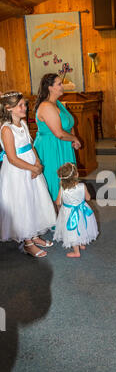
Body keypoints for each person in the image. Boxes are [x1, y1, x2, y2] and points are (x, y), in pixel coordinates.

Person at [0, 91, 56, 257]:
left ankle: (34, 235)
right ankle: (28, 243)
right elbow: (12, 158)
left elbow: (31, 146)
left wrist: (37, 162)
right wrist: (33, 169)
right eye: (21, 106)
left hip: (31, 168)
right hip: (17, 173)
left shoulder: (23, 124)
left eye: (25, 104)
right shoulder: (6, 129)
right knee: (23, 205)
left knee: (34, 201)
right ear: (9, 108)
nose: (25, 107)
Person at [34, 73, 81, 204]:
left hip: (63, 145)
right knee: (54, 182)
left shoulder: (58, 104)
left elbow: (70, 123)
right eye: (59, 84)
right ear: (50, 87)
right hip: (51, 148)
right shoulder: (46, 106)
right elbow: (58, 133)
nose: (62, 86)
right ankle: (55, 218)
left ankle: (68, 210)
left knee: (67, 180)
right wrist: (75, 138)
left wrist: (72, 138)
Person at [53, 162, 99, 258]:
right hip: (82, 210)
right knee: (83, 226)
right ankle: (82, 244)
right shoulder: (82, 186)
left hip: (68, 212)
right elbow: (88, 198)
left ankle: (76, 252)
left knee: (72, 231)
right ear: (77, 175)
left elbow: (57, 202)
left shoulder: (62, 189)